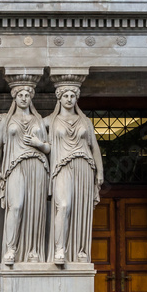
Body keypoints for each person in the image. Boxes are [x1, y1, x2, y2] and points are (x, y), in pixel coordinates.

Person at [44, 80, 104, 264]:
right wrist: (5, 119)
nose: (69, 99)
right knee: (63, 205)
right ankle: (59, 249)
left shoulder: (85, 121)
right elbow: (26, 124)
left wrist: (100, 172)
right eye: (66, 96)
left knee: (81, 208)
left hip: (84, 167)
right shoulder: (49, 121)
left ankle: (80, 250)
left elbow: (94, 148)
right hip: (62, 167)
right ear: (59, 98)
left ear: (76, 98)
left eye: (72, 96)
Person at [0, 79, 50, 265]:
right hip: (14, 166)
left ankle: (33, 251)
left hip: (37, 165)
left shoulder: (38, 120)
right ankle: (11, 249)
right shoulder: (6, 119)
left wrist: (38, 144)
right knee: (15, 206)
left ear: (31, 97)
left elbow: (49, 148)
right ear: (15, 97)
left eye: (27, 95)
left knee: (35, 209)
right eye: (20, 95)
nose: (24, 98)